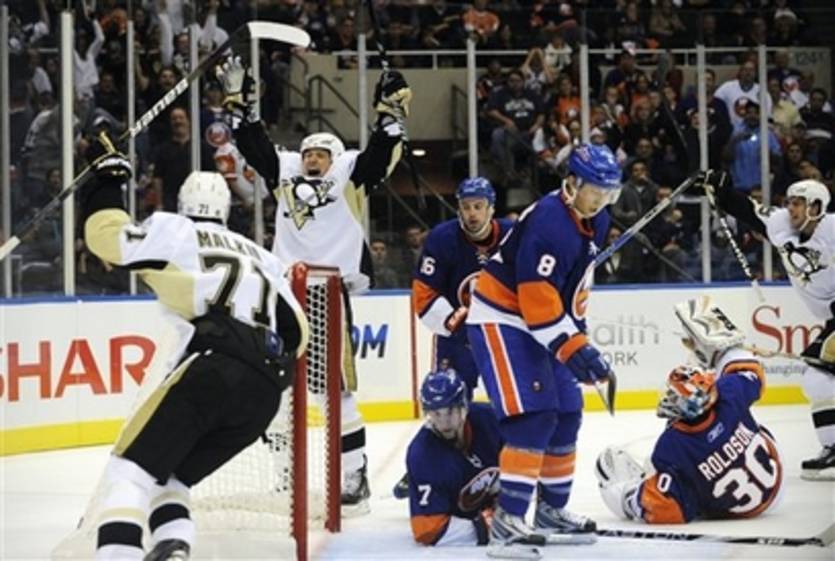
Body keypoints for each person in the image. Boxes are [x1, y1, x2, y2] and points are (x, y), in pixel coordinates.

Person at [81, 142, 308, 560]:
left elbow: (107, 240)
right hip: (264, 393)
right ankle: (174, 548)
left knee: (129, 471)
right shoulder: (264, 257)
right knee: (171, 477)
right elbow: (299, 334)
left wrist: (107, 180)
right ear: (225, 208)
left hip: (212, 370)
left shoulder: (176, 231)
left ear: (183, 202)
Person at [216, 55, 412, 511]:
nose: (312, 160)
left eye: (320, 154)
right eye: (307, 154)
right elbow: (254, 145)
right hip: (284, 293)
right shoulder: (285, 172)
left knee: (335, 389)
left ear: (335, 158)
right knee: (276, 383)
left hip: (328, 293)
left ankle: (353, 475)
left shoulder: (350, 174)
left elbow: (380, 154)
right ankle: (285, 471)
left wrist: (390, 115)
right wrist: (241, 106)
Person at [466, 144, 622, 559]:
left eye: (608, 193)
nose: (601, 201)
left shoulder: (596, 218)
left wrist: (577, 339)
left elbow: (569, 293)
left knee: (567, 413)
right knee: (532, 418)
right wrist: (575, 349)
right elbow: (536, 303)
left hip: (543, 321)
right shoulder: (550, 223)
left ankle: (551, 511)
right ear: (572, 183)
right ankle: (508, 521)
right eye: (595, 191)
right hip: (502, 318)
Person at [596, 296, 783, 523]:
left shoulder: (673, 444)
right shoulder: (729, 393)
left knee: (640, 472)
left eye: (673, 395)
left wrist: (629, 497)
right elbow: (751, 371)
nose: (668, 398)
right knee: (744, 423)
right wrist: (727, 346)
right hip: (776, 483)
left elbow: (668, 510)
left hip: (730, 512)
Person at [702, 170, 835, 480]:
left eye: (798, 203)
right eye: (790, 202)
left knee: (817, 375)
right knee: (819, 379)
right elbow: (749, 211)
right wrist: (722, 189)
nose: (791, 208)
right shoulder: (781, 226)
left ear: (816, 207)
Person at [412, 177, 514, 397]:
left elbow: (530, 282)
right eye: (466, 207)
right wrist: (459, 325)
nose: (472, 213)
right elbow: (423, 293)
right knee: (448, 401)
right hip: (456, 337)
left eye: (478, 206)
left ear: (491, 208)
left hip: (505, 333)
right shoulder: (442, 238)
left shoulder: (513, 236)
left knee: (514, 400)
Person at [407, 368, 502, 546]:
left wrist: (511, 503)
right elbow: (428, 530)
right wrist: (488, 526)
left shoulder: (491, 421)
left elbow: (526, 456)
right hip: (458, 512)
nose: (444, 423)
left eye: (450, 412)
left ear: (463, 408)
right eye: (436, 414)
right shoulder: (422, 454)